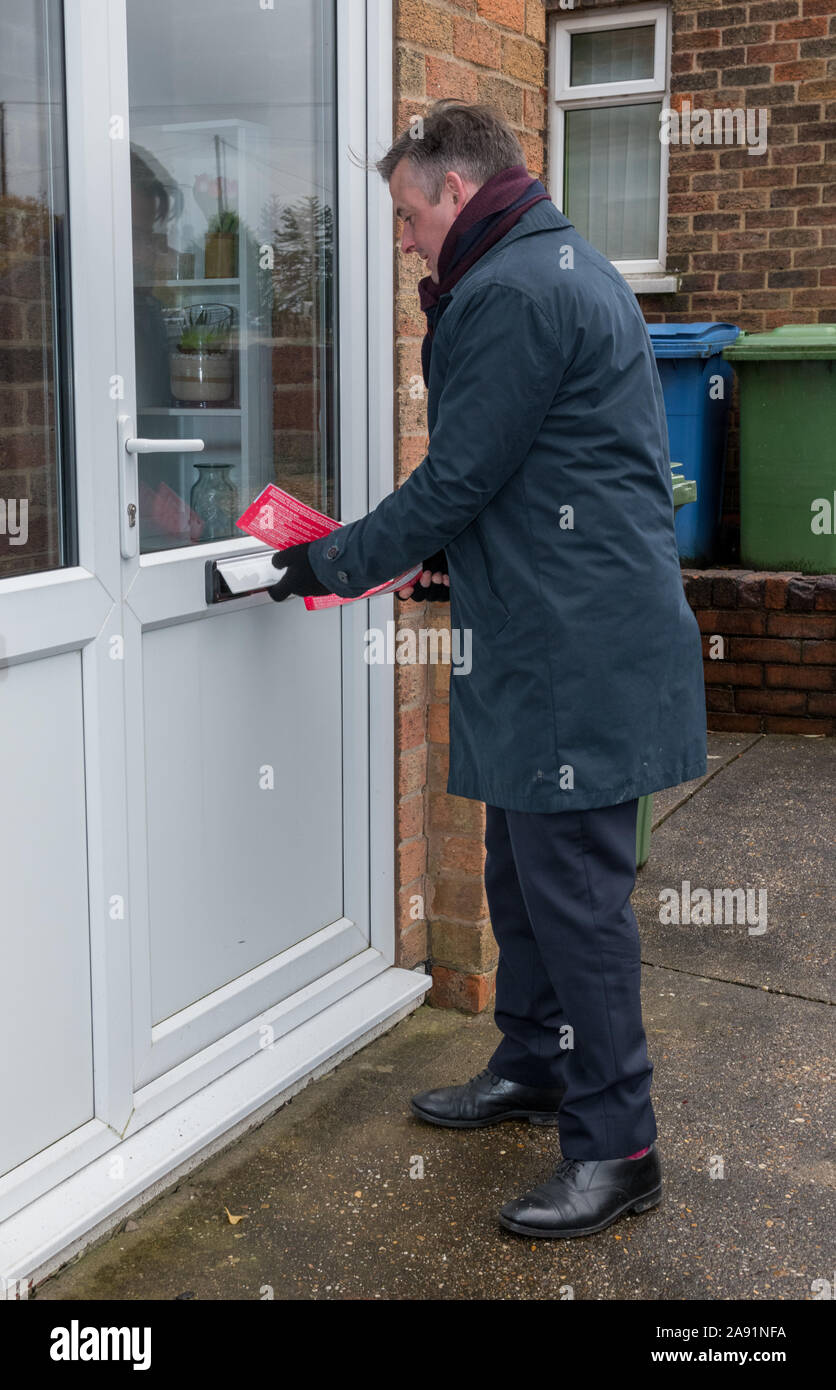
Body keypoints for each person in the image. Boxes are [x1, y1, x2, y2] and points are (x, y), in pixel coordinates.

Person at [268, 100, 707, 1240]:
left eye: (408, 215)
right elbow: (538, 473)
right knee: (521, 877)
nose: (405, 240)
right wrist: (442, 569)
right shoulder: (559, 263)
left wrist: (325, 561)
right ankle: (535, 1063)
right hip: (557, 632)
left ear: (455, 193)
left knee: (574, 904)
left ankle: (621, 1148)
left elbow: (456, 481)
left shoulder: (511, 291)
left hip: (575, 652)